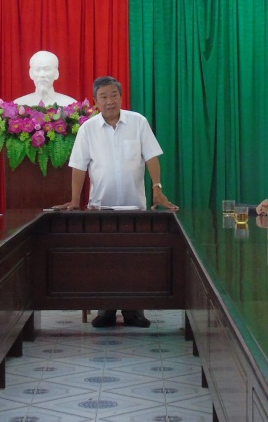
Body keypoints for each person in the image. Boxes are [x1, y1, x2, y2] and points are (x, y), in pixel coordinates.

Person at [56, 76, 178, 329]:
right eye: (104, 97)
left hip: (135, 207)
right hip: (101, 208)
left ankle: (135, 311)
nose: (109, 101)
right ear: (95, 101)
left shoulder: (138, 122)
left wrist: (157, 187)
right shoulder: (88, 129)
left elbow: (152, 156)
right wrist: (74, 200)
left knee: (137, 259)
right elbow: (78, 167)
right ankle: (106, 310)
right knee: (104, 259)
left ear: (121, 97)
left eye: (114, 95)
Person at [13, 51, 78, 107]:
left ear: (56, 73)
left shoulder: (70, 104)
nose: (42, 75)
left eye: (47, 69)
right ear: (31, 73)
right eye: (37, 69)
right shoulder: (19, 104)